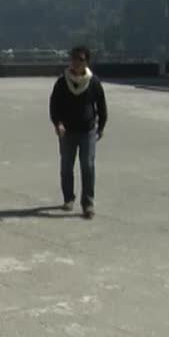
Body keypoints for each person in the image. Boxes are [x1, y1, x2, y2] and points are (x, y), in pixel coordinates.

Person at [49, 46, 108, 218]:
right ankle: (68, 198)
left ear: (86, 62)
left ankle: (88, 203)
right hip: (67, 131)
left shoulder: (93, 82)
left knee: (88, 165)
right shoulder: (62, 82)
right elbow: (54, 106)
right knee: (67, 165)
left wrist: (101, 127)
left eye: (80, 59)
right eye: (74, 58)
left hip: (87, 131)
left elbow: (101, 106)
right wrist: (57, 123)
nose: (76, 62)